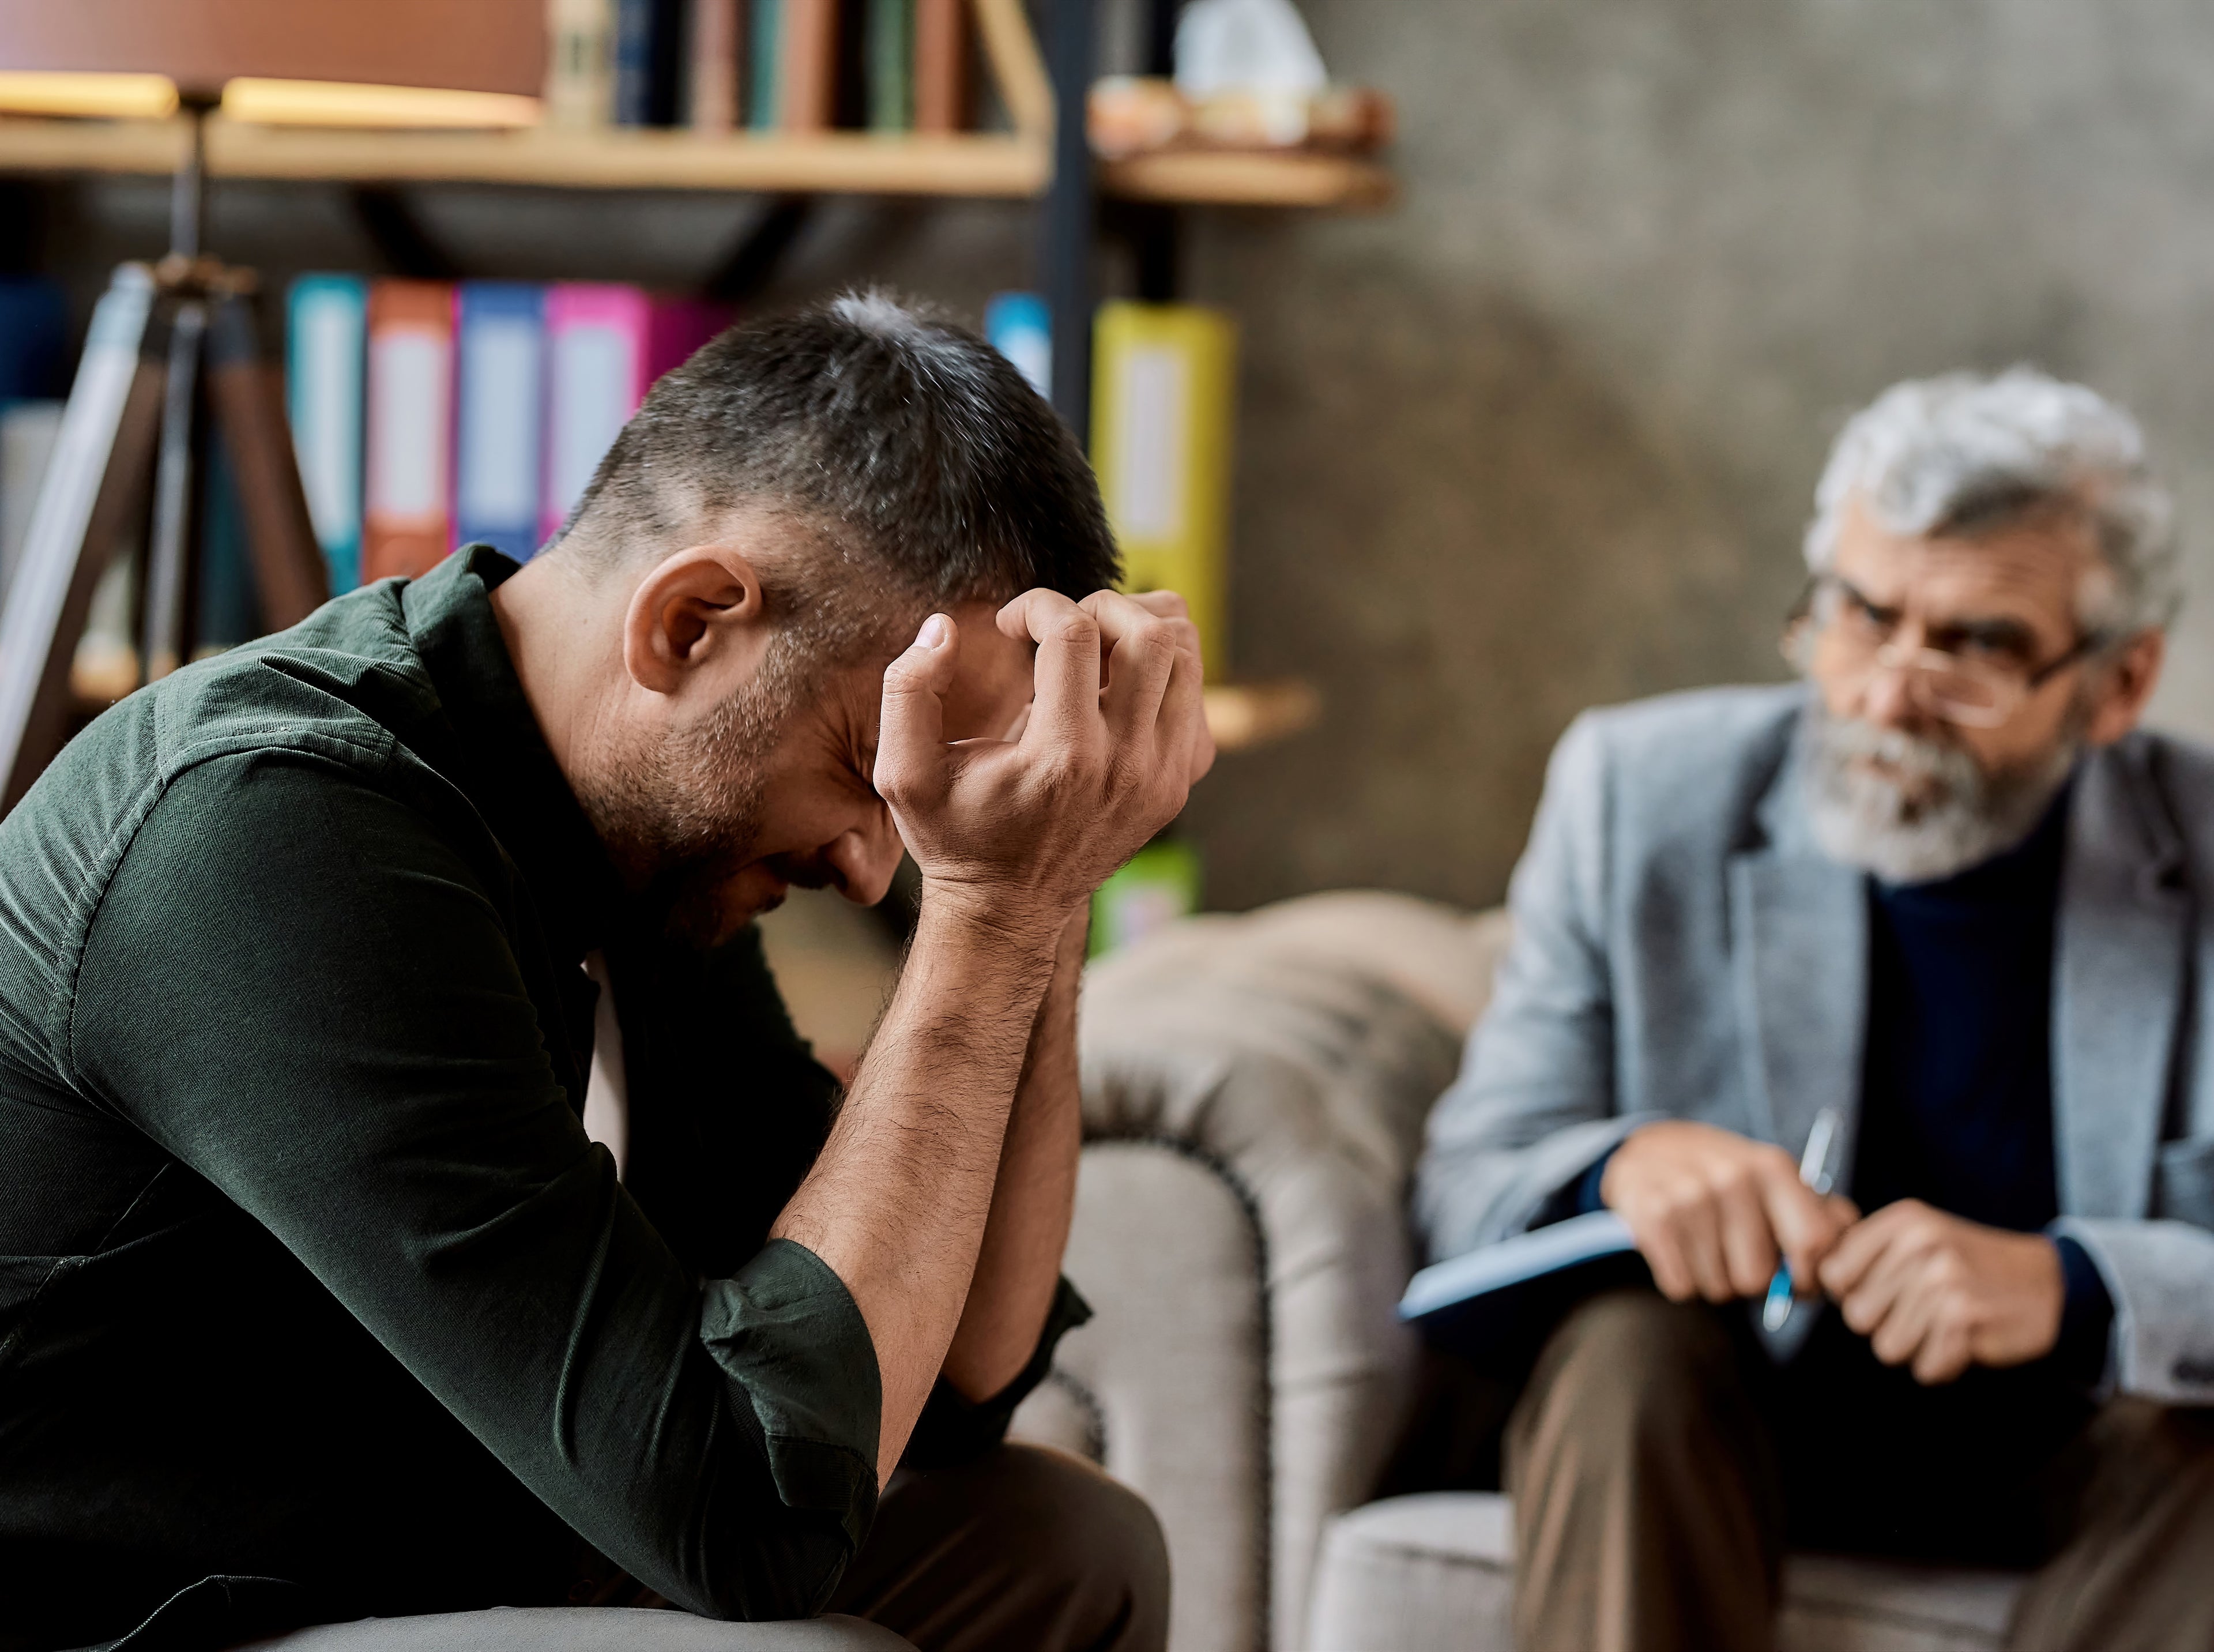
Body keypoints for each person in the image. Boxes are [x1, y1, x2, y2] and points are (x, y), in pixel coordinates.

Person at [0, 293, 1208, 1652]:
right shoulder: (272, 832)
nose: (881, 869)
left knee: (1066, 1546)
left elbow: (954, 1377)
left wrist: (1045, 886)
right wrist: (988, 908)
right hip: (155, 1615)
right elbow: (751, 1516)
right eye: (874, 771)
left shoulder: (634, 852)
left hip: (441, 1547)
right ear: (691, 622)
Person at [1413, 368, 2214, 1652]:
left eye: (1978, 647)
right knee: (1626, 1351)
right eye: (1863, 616)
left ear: (2118, 686)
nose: (1888, 696)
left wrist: (2076, 1284)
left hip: (2090, 1453)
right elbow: (1468, 1185)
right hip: (1734, 1422)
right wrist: (1620, 1166)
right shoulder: (1639, 793)